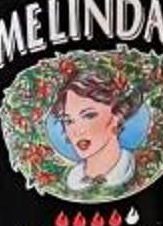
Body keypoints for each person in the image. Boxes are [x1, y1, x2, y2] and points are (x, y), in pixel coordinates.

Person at [56, 64, 142, 196]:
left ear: (117, 115)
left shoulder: (136, 169)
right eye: (68, 121)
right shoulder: (72, 180)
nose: (76, 131)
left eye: (89, 116)